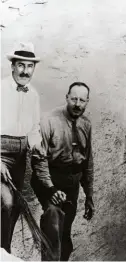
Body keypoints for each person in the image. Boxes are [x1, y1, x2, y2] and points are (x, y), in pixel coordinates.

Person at [31, 82, 95, 261]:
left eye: (82, 100)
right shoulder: (49, 120)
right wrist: (51, 189)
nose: (77, 104)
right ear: (67, 97)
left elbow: (87, 162)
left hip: (71, 184)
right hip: (49, 180)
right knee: (53, 221)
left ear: (87, 102)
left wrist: (89, 196)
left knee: (65, 235)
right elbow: (38, 159)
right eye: (74, 98)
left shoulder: (86, 124)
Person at [1, 42, 44, 253]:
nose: (25, 71)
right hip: (1, 153)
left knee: (16, 205)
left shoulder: (33, 95)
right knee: (6, 203)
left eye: (30, 66)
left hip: (20, 156)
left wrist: (37, 146)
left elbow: (34, 129)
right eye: (21, 65)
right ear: (12, 66)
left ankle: (4, 249)